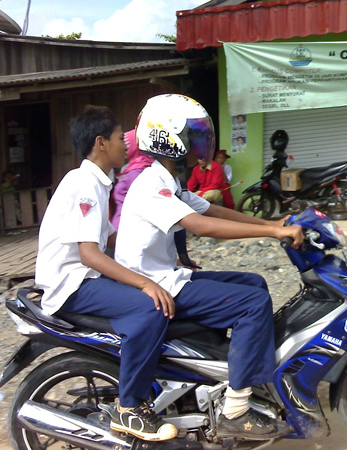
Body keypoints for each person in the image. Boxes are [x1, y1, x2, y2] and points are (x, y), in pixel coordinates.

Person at [115, 93, 303, 439]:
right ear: (167, 138)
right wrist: (273, 232)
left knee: (254, 283)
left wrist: (271, 224)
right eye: (193, 134)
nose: (199, 142)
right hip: (153, 286)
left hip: (168, 276)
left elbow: (212, 210)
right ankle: (236, 409)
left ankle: (236, 369)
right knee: (252, 304)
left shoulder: (167, 179)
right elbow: (202, 226)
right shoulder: (149, 185)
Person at [35, 105, 179, 442]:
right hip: (72, 284)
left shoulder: (99, 181)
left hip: (84, 277)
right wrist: (145, 282)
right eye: (118, 138)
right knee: (151, 305)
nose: (126, 144)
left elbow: (111, 239)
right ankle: (130, 408)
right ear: (101, 143)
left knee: (154, 292)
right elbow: (89, 253)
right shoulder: (84, 183)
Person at [110, 129, 154, 231]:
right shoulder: (135, 167)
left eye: (127, 143)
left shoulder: (137, 172)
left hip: (127, 229)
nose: (124, 147)